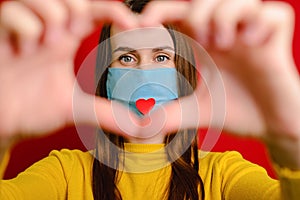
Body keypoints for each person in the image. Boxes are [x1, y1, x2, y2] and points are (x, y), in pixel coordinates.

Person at [1, 0, 300, 199]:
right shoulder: (65, 172)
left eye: (161, 56)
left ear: (181, 71)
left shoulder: (223, 175)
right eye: (127, 57)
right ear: (106, 76)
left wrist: (292, 141)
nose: (144, 73)